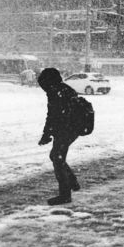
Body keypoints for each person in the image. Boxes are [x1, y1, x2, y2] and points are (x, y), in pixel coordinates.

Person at [37, 68, 82, 206]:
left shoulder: (57, 92)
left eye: (43, 84)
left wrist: (47, 134)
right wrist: (48, 134)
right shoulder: (61, 89)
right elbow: (54, 115)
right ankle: (73, 182)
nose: (43, 88)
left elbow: (53, 116)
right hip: (70, 129)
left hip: (67, 129)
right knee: (56, 156)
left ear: (48, 82)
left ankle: (65, 195)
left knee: (57, 158)